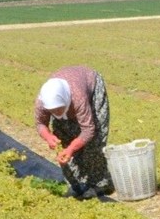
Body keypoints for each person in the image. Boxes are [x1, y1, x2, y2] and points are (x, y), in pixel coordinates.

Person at [35, 66, 111, 198]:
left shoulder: (78, 97)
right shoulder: (42, 102)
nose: (56, 113)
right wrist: (48, 137)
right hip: (70, 94)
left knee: (95, 139)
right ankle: (76, 184)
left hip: (89, 84)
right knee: (62, 137)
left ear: (66, 100)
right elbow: (40, 123)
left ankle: (99, 183)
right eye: (52, 110)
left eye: (59, 109)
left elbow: (88, 130)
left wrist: (71, 149)